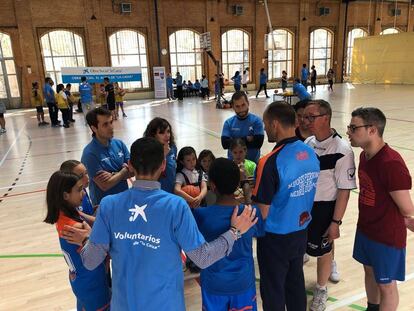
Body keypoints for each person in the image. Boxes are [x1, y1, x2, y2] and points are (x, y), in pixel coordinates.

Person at [61, 137, 258, 310]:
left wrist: (87, 238)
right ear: (163, 165)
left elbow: (91, 261)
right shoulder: (176, 206)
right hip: (166, 304)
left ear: (130, 165)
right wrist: (234, 232)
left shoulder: (108, 205)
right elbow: (203, 258)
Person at [252, 101, 320, 311]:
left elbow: (262, 211)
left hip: (275, 237)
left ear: (275, 124)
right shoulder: (310, 153)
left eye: (265, 124)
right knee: (295, 284)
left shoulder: (269, 161)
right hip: (300, 232)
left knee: (273, 290)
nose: (264, 129)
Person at [347, 107, 414, 311]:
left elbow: (407, 208)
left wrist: (406, 220)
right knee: (369, 273)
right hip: (366, 229)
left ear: (372, 130)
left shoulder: (391, 164)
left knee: (386, 285)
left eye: (353, 127)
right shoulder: (364, 156)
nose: (348, 132)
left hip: (386, 237)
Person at [303, 100, 356, 311]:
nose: (306, 121)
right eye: (305, 117)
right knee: (305, 248)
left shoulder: (343, 150)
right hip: (305, 206)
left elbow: (344, 191)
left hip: (325, 209)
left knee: (324, 252)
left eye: (311, 117)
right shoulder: (307, 143)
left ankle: (321, 289)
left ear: (326, 118)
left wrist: (336, 222)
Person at [193, 158, 264, 311]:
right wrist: (246, 191)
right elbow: (260, 230)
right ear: (237, 183)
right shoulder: (251, 212)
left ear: (212, 186)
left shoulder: (200, 215)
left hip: (214, 284)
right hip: (243, 283)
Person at [43, 171, 111, 311]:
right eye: (79, 190)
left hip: (79, 278)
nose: (84, 193)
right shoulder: (76, 227)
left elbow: (89, 220)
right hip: (92, 283)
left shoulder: (64, 215)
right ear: (65, 195)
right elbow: (103, 249)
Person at [81, 107, 131, 206]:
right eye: (105, 124)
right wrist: (124, 170)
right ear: (94, 128)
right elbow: (105, 185)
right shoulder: (90, 154)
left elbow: (133, 171)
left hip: (124, 201)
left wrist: (112, 175)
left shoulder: (119, 144)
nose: (111, 127)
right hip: (104, 206)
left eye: (111, 122)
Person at [221, 91, 264, 163]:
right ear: (233, 107)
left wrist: (233, 141)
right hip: (233, 165)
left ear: (248, 103)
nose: (241, 109)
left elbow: (258, 143)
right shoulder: (228, 123)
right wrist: (247, 139)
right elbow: (225, 144)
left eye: (243, 105)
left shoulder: (257, 121)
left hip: (252, 165)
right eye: (237, 106)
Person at [143, 117, 177, 193]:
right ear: (153, 135)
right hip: (155, 193)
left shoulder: (172, 147)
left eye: (168, 131)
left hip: (171, 192)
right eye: (162, 133)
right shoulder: (147, 152)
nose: (167, 135)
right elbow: (150, 177)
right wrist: (163, 155)